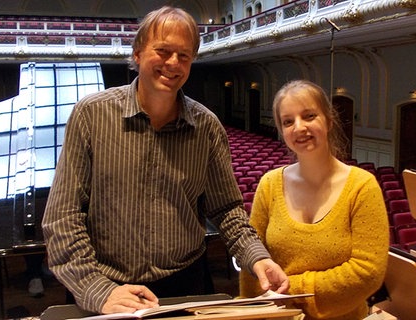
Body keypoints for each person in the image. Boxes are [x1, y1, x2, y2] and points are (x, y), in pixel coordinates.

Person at [42, 6, 289, 315]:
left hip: (186, 284)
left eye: (184, 56)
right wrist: (96, 289)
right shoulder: (91, 114)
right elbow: (63, 217)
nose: (173, 63)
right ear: (137, 54)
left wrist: (257, 257)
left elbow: (226, 209)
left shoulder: (207, 127)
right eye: (163, 51)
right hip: (107, 287)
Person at [239, 80, 389, 320]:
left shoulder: (362, 186)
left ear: (328, 120)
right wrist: (249, 309)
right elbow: (253, 263)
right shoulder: (269, 184)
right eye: (288, 121)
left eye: (309, 116)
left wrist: (292, 290)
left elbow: (367, 273)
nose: (299, 128)